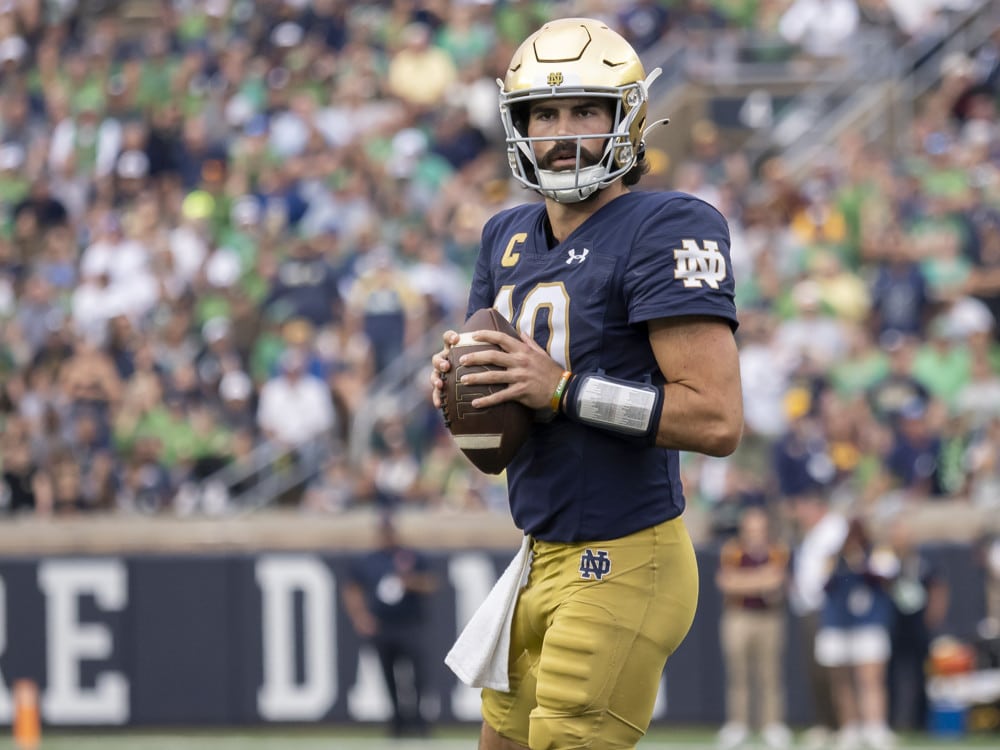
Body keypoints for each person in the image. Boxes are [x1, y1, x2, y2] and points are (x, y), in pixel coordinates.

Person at [430, 18, 743, 750]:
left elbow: (717, 421)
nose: (564, 133)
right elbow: (500, 422)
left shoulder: (667, 223)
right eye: (545, 114)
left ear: (626, 118)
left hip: (625, 555)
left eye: (585, 111)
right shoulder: (503, 235)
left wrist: (563, 390)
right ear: (518, 125)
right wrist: (460, 383)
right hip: (538, 553)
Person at [342, 513, 438, 737]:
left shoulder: (412, 556)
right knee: (388, 675)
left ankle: (419, 721)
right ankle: (397, 722)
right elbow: (352, 589)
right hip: (383, 626)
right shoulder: (368, 560)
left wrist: (409, 582)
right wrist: (360, 617)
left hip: (410, 625)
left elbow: (431, 583)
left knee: (417, 676)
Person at [715, 507, 792, 750]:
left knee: (770, 673)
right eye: (751, 529)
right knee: (738, 673)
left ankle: (772, 724)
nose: (755, 534)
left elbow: (778, 581)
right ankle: (739, 723)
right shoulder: (733, 549)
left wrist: (744, 580)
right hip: (738, 616)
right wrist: (760, 580)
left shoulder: (776, 549)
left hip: (769, 617)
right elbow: (727, 583)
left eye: (759, 529)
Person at [816, 517, 896, 750]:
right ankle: (849, 727)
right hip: (838, 625)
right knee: (842, 680)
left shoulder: (877, 552)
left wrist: (862, 563)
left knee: (870, 679)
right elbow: (822, 583)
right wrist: (840, 562)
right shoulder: (832, 556)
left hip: (868, 623)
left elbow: (886, 576)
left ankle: (875, 727)